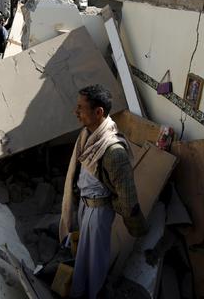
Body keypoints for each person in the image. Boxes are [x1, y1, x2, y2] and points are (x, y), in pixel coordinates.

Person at [59, 85, 148, 299]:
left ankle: (93, 293)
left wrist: (135, 223)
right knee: (83, 255)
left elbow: (127, 195)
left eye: (81, 108)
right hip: (85, 205)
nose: (76, 112)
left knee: (95, 261)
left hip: (99, 212)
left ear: (98, 112)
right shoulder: (87, 134)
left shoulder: (114, 151)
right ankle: (79, 291)